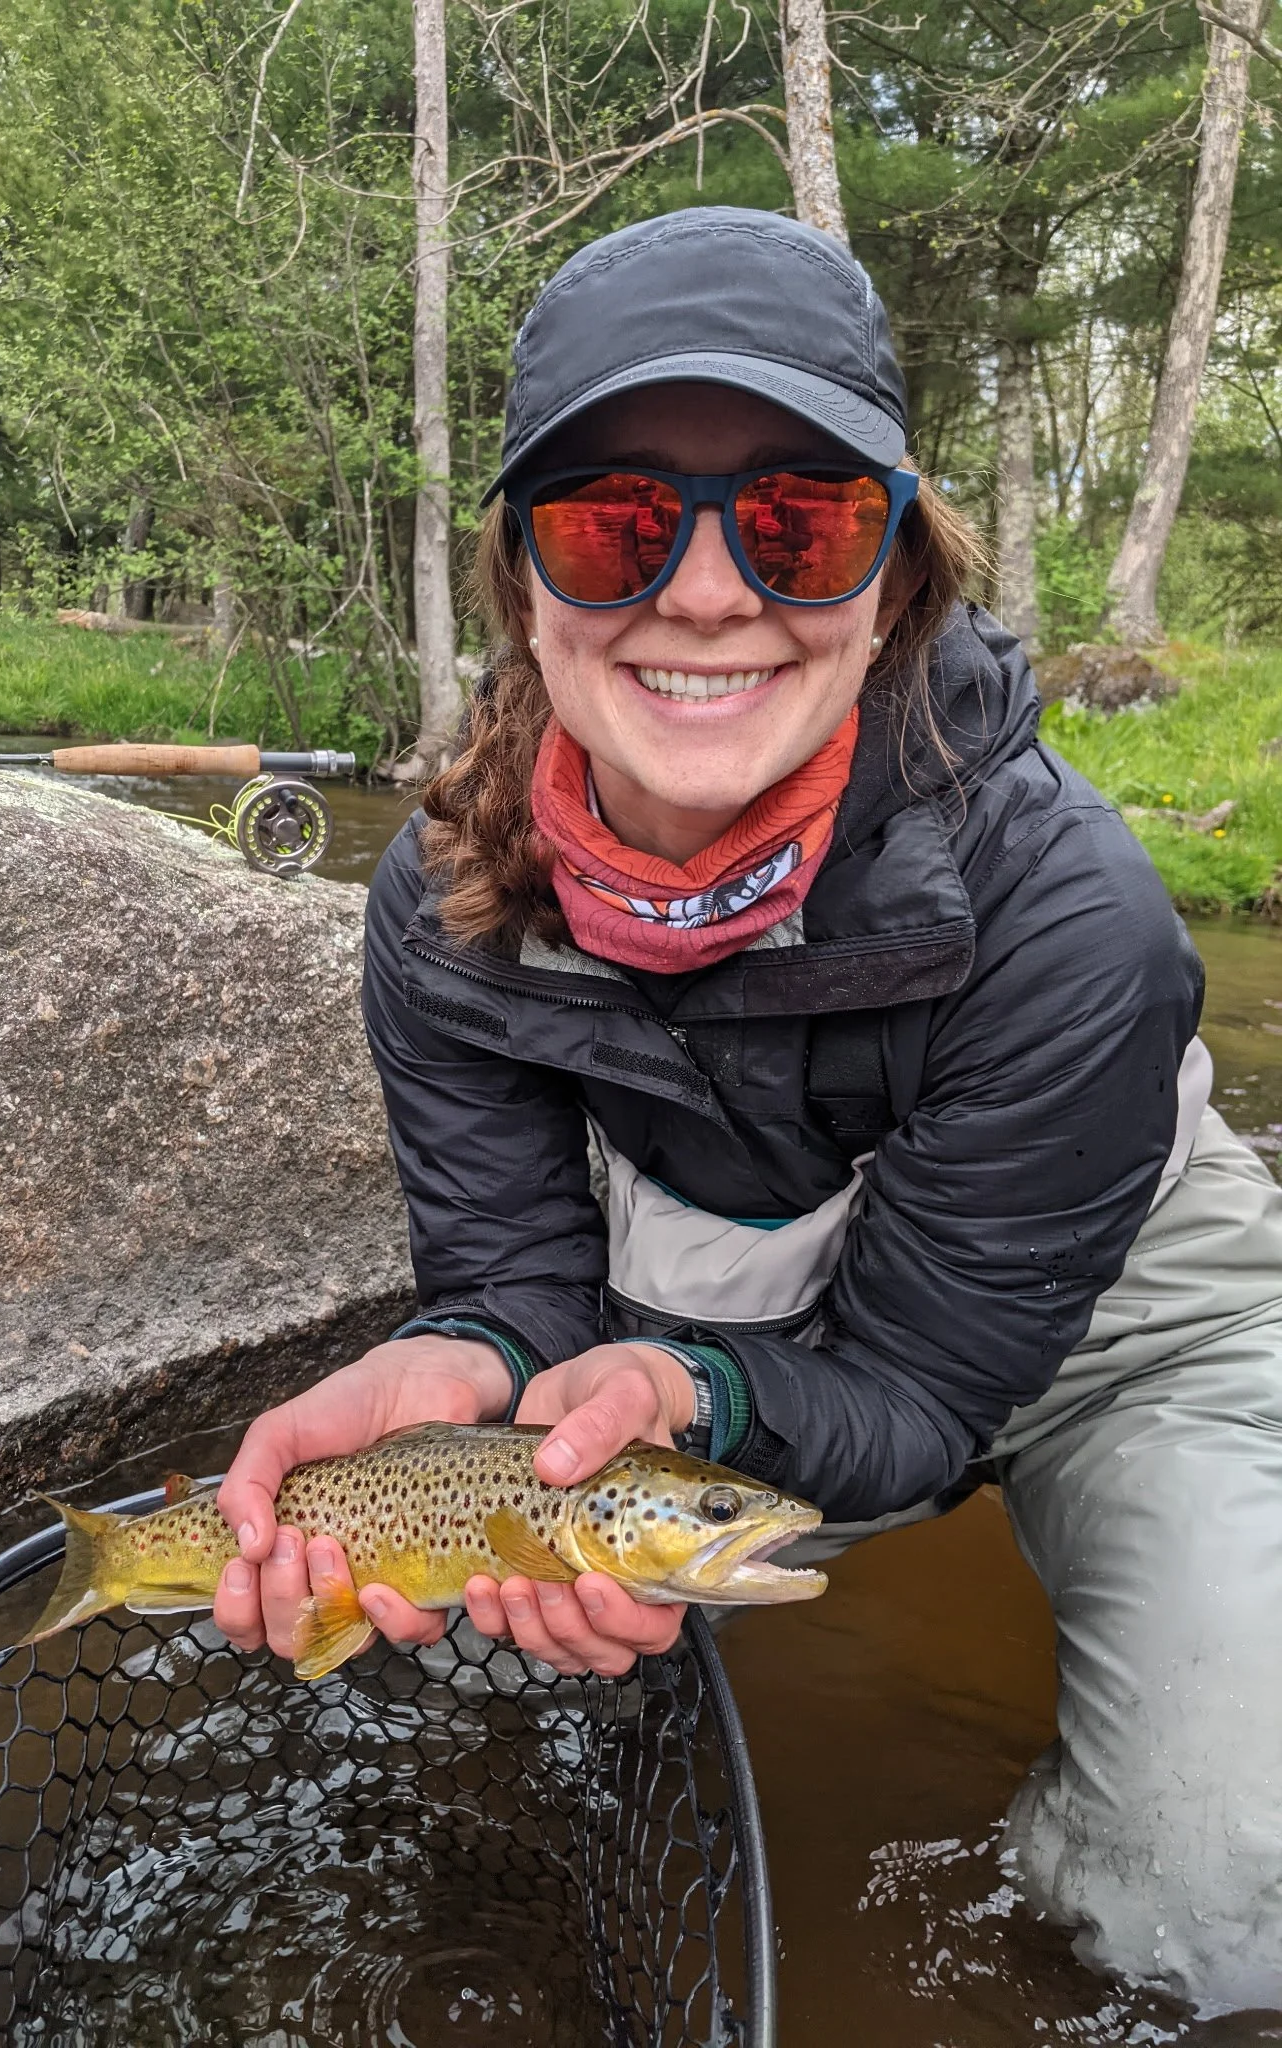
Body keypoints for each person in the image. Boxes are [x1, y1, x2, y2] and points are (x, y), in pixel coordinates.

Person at [213, 207, 1282, 2013]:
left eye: (799, 521)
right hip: (719, 1329)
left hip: (1122, 1330)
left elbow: (927, 1395)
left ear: (895, 579)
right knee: (463, 1666)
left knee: (1224, 1902)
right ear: (525, 586)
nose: (705, 592)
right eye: (615, 522)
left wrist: (685, 1394)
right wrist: (476, 1359)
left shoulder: (1073, 918)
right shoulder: (448, 901)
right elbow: (521, 1274)